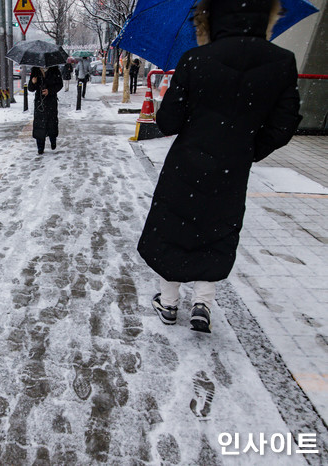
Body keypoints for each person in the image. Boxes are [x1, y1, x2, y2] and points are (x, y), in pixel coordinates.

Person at [137, 0, 302, 334]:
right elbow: (284, 125)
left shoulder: (196, 60)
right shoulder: (282, 62)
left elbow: (168, 122)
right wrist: (246, 150)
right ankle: (203, 303)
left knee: (175, 227)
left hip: (187, 164)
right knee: (216, 228)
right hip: (232, 168)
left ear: (209, 19)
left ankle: (168, 301)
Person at [28, 66, 63, 155]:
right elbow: (30, 88)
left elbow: (60, 84)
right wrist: (33, 82)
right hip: (40, 102)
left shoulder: (55, 70)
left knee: (52, 122)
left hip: (51, 101)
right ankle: (40, 147)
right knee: (39, 124)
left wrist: (49, 91)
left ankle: (53, 141)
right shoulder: (35, 71)